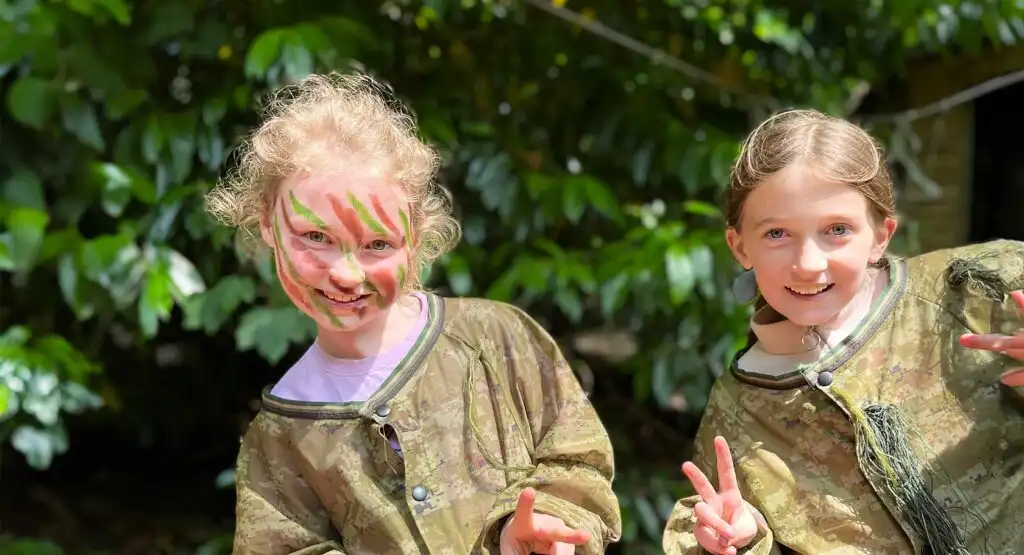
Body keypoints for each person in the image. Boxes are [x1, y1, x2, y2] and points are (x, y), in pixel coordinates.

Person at [205, 72, 622, 555]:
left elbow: (578, 459)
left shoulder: (499, 339)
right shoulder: (278, 441)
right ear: (267, 224)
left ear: (417, 241)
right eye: (315, 237)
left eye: (377, 244)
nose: (345, 274)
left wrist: (544, 524)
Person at [661, 109, 1024, 555]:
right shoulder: (739, 413)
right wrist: (744, 539)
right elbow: (724, 526)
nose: (809, 263)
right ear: (740, 247)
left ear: (880, 235)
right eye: (777, 233)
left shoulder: (976, 292)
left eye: (837, 230)